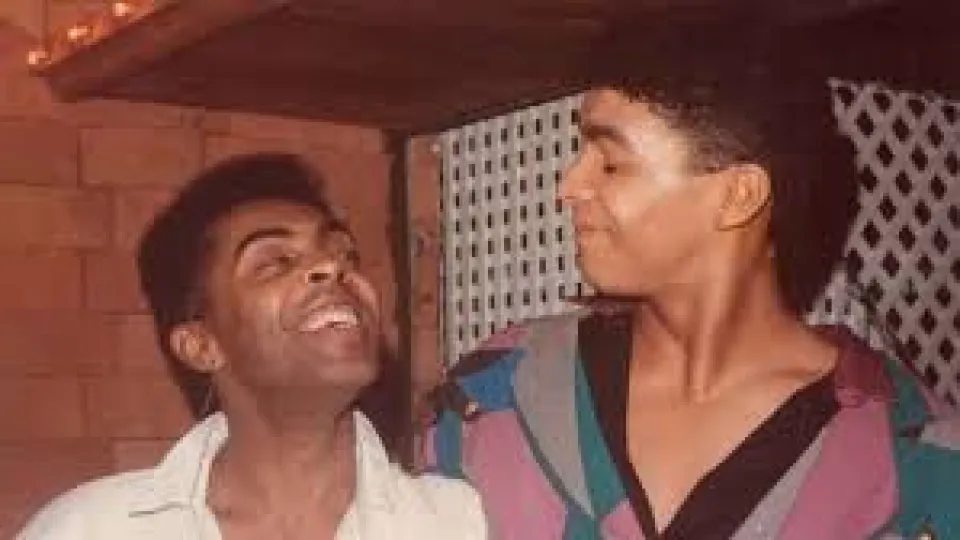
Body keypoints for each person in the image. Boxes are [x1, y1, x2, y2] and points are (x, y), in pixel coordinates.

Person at [426, 64, 960, 538]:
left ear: (738, 196)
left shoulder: (916, 458)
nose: (567, 187)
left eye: (610, 163)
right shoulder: (494, 396)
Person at [18, 153, 487, 539]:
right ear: (201, 345)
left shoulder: (460, 523)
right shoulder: (91, 530)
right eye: (275, 262)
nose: (331, 268)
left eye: (343, 253)